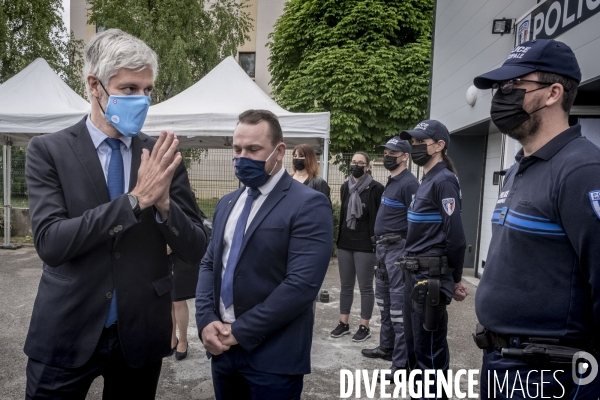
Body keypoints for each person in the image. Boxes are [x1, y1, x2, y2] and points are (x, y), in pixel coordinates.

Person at [23, 29, 207, 399]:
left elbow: (196, 247)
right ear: (95, 85)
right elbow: (51, 242)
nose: (141, 99)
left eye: (148, 90)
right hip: (67, 328)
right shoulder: (48, 151)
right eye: (128, 89)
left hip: (139, 334)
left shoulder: (162, 156)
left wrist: (165, 205)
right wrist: (135, 200)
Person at [473, 39, 600, 398]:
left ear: (553, 93)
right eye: (499, 88)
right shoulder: (519, 168)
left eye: (513, 86)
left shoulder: (582, 170)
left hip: (549, 373)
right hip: (502, 361)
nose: (501, 96)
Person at [195, 109, 333, 400]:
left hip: (273, 359)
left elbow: (301, 286)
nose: (242, 157)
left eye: (254, 149)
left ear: (279, 151)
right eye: (237, 149)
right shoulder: (227, 203)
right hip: (222, 352)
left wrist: (240, 331)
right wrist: (206, 320)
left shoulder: (309, 204)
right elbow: (210, 264)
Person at [397, 120, 467, 399]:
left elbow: (456, 238)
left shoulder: (444, 180)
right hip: (414, 276)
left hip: (430, 280)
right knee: (415, 351)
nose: (415, 147)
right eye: (413, 142)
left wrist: (456, 277)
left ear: (439, 146)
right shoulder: (427, 179)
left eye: (420, 142)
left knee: (430, 356)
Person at [361, 138, 419, 380]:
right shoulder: (393, 181)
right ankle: (387, 347)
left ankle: (401, 364)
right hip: (383, 249)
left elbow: (416, 221)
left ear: (405, 156)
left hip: (398, 249)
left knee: (397, 307)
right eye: (385, 152)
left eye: (392, 152)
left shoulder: (409, 184)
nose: (387, 155)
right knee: (384, 302)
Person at [331, 152, 384, 342]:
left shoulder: (376, 188)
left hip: (365, 245)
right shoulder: (346, 186)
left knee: (365, 287)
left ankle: (364, 326)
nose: (356, 165)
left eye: (360, 163)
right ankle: (343, 323)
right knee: (345, 285)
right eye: (353, 162)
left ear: (368, 166)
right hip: (345, 242)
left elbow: (379, 217)